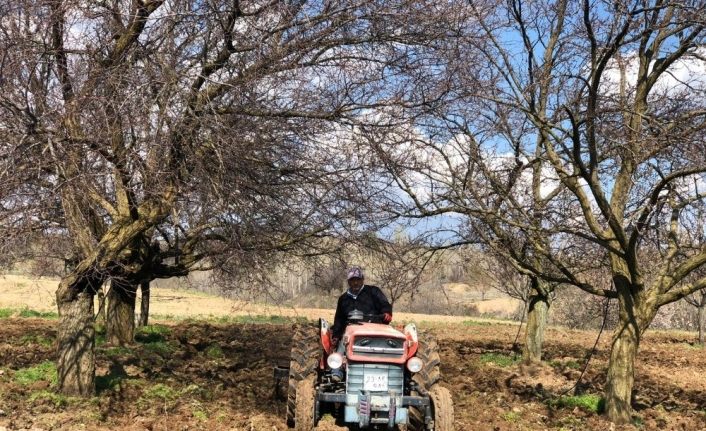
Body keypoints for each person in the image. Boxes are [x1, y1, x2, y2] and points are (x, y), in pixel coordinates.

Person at [331, 266, 393, 349]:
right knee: (339, 354)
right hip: (350, 333)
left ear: (362, 280)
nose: (355, 283)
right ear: (348, 282)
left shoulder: (373, 291)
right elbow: (339, 318)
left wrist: (387, 313)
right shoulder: (343, 298)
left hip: (374, 330)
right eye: (352, 280)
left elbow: (384, 304)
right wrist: (336, 335)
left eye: (358, 279)